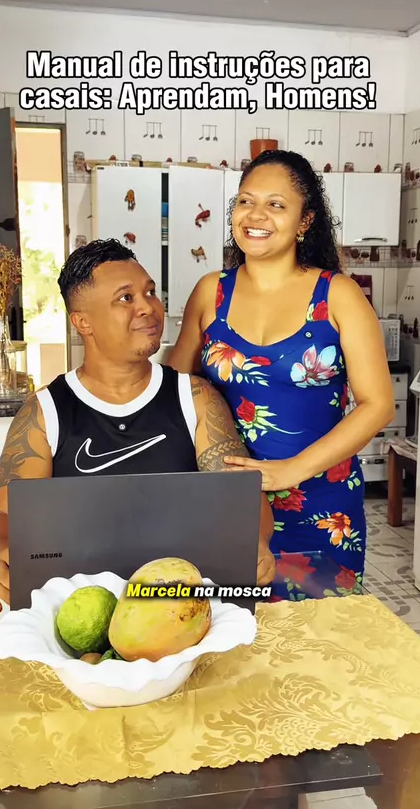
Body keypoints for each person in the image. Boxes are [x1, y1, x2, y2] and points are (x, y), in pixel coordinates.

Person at [0, 239, 275, 613]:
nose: (148, 307)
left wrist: (255, 542)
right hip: (81, 611)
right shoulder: (44, 412)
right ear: (83, 322)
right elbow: (2, 516)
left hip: (180, 607)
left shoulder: (195, 397)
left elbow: (242, 500)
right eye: (125, 298)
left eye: (149, 292)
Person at [168, 149, 395, 594]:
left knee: (317, 628)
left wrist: (291, 470)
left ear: (305, 220)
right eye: (246, 201)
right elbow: (175, 391)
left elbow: (378, 405)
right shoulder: (211, 292)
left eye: (276, 204)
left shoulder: (339, 295)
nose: (255, 215)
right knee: (232, 629)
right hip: (230, 504)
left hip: (323, 506)